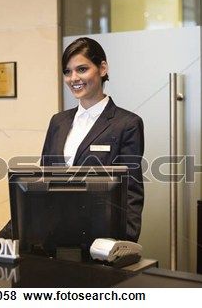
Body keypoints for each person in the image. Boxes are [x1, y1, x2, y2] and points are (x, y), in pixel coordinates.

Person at [41, 37, 144, 242]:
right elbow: (41, 180)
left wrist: (126, 241)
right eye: (67, 72)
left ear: (102, 68)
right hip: (55, 235)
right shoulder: (58, 121)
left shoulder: (127, 123)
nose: (73, 78)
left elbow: (131, 190)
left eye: (82, 69)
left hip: (102, 236)